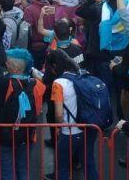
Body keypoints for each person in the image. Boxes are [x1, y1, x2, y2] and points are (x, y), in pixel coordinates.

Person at [0, 27, 45, 180]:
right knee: (23, 170)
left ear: (15, 67)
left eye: (8, 63)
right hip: (27, 136)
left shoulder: (4, 83)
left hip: (3, 137)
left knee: (6, 171)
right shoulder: (38, 85)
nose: (6, 64)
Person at [44, 49, 100, 180]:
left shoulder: (58, 83)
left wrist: (58, 128)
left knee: (62, 167)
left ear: (54, 66)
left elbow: (58, 114)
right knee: (89, 164)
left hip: (70, 131)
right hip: (90, 128)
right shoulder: (84, 74)